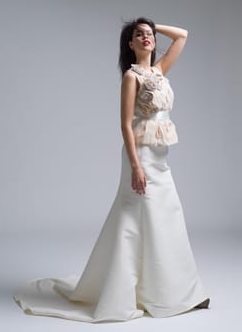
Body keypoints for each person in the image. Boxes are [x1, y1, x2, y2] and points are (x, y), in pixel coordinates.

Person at [13, 17, 210, 323]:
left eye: (149, 35)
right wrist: (135, 166)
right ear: (130, 45)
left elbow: (183, 35)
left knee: (167, 216)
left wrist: (153, 25)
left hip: (161, 157)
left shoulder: (159, 71)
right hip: (141, 155)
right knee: (140, 216)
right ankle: (130, 292)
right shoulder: (131, 77)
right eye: (138, 35)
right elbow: (124, 125)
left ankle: (175, 292)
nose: (146, 37)